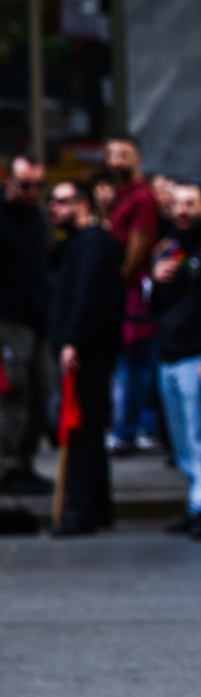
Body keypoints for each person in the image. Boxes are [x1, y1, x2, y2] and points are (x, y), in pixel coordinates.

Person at [150, 181, 201, 540]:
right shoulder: (170, 247)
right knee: (182, 438)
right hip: (169, 356)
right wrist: (154, 280)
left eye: (190, 204)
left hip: (198, 357)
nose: (182, 210)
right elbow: (154, 300)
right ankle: (196, 503)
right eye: (177, 204)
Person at [46, 180, 125, 536]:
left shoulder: (93, 244)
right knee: (85, 428)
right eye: (52, 202)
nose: (54, 208)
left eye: (62, 202)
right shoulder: (79, 244)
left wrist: (72, 341)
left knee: (83, 428)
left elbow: (87, 295)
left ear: (82, 204)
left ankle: (82, 509)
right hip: (84, 347)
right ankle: (95, 507)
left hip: (87, 350)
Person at [0, 155, 53, 495]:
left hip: (36, 318)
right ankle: (6, 467)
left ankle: (24, 462)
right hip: (8, 320)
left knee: (41, 392)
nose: (33, 192)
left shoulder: (36, 217)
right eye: (25, 185)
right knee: (13, 394)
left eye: (38, 186)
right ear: (8, 182)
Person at [106, 134, 162, 456]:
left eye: (123, 154)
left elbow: (140, 244)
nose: (117, 161)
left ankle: (131, 429)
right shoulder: (122, 195)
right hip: (127, 288)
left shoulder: (141, 197)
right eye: (112, 154)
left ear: (138, 157)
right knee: (135, 362)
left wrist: (120, 281)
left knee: (134, 361)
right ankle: (139, 426)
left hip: (133, 291)